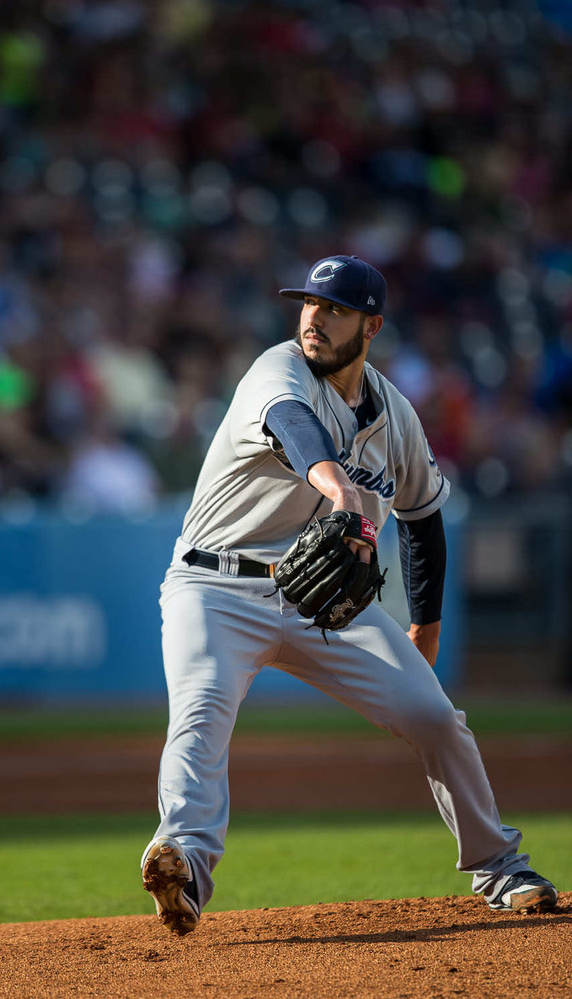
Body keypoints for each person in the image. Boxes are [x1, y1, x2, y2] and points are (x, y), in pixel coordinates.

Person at [140, 255, 558, 935]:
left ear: (371, 326)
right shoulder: (275, 370)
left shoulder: (395, 416)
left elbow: (423, 517)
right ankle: (181, 861)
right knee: (202, 710)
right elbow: (293, 425)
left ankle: (500, 865)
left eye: (333, 309)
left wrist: (425, 627)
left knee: (433, 716)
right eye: (308, 303)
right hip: (214, 586)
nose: (314, 317)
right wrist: (337, 489)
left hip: (321, 604)